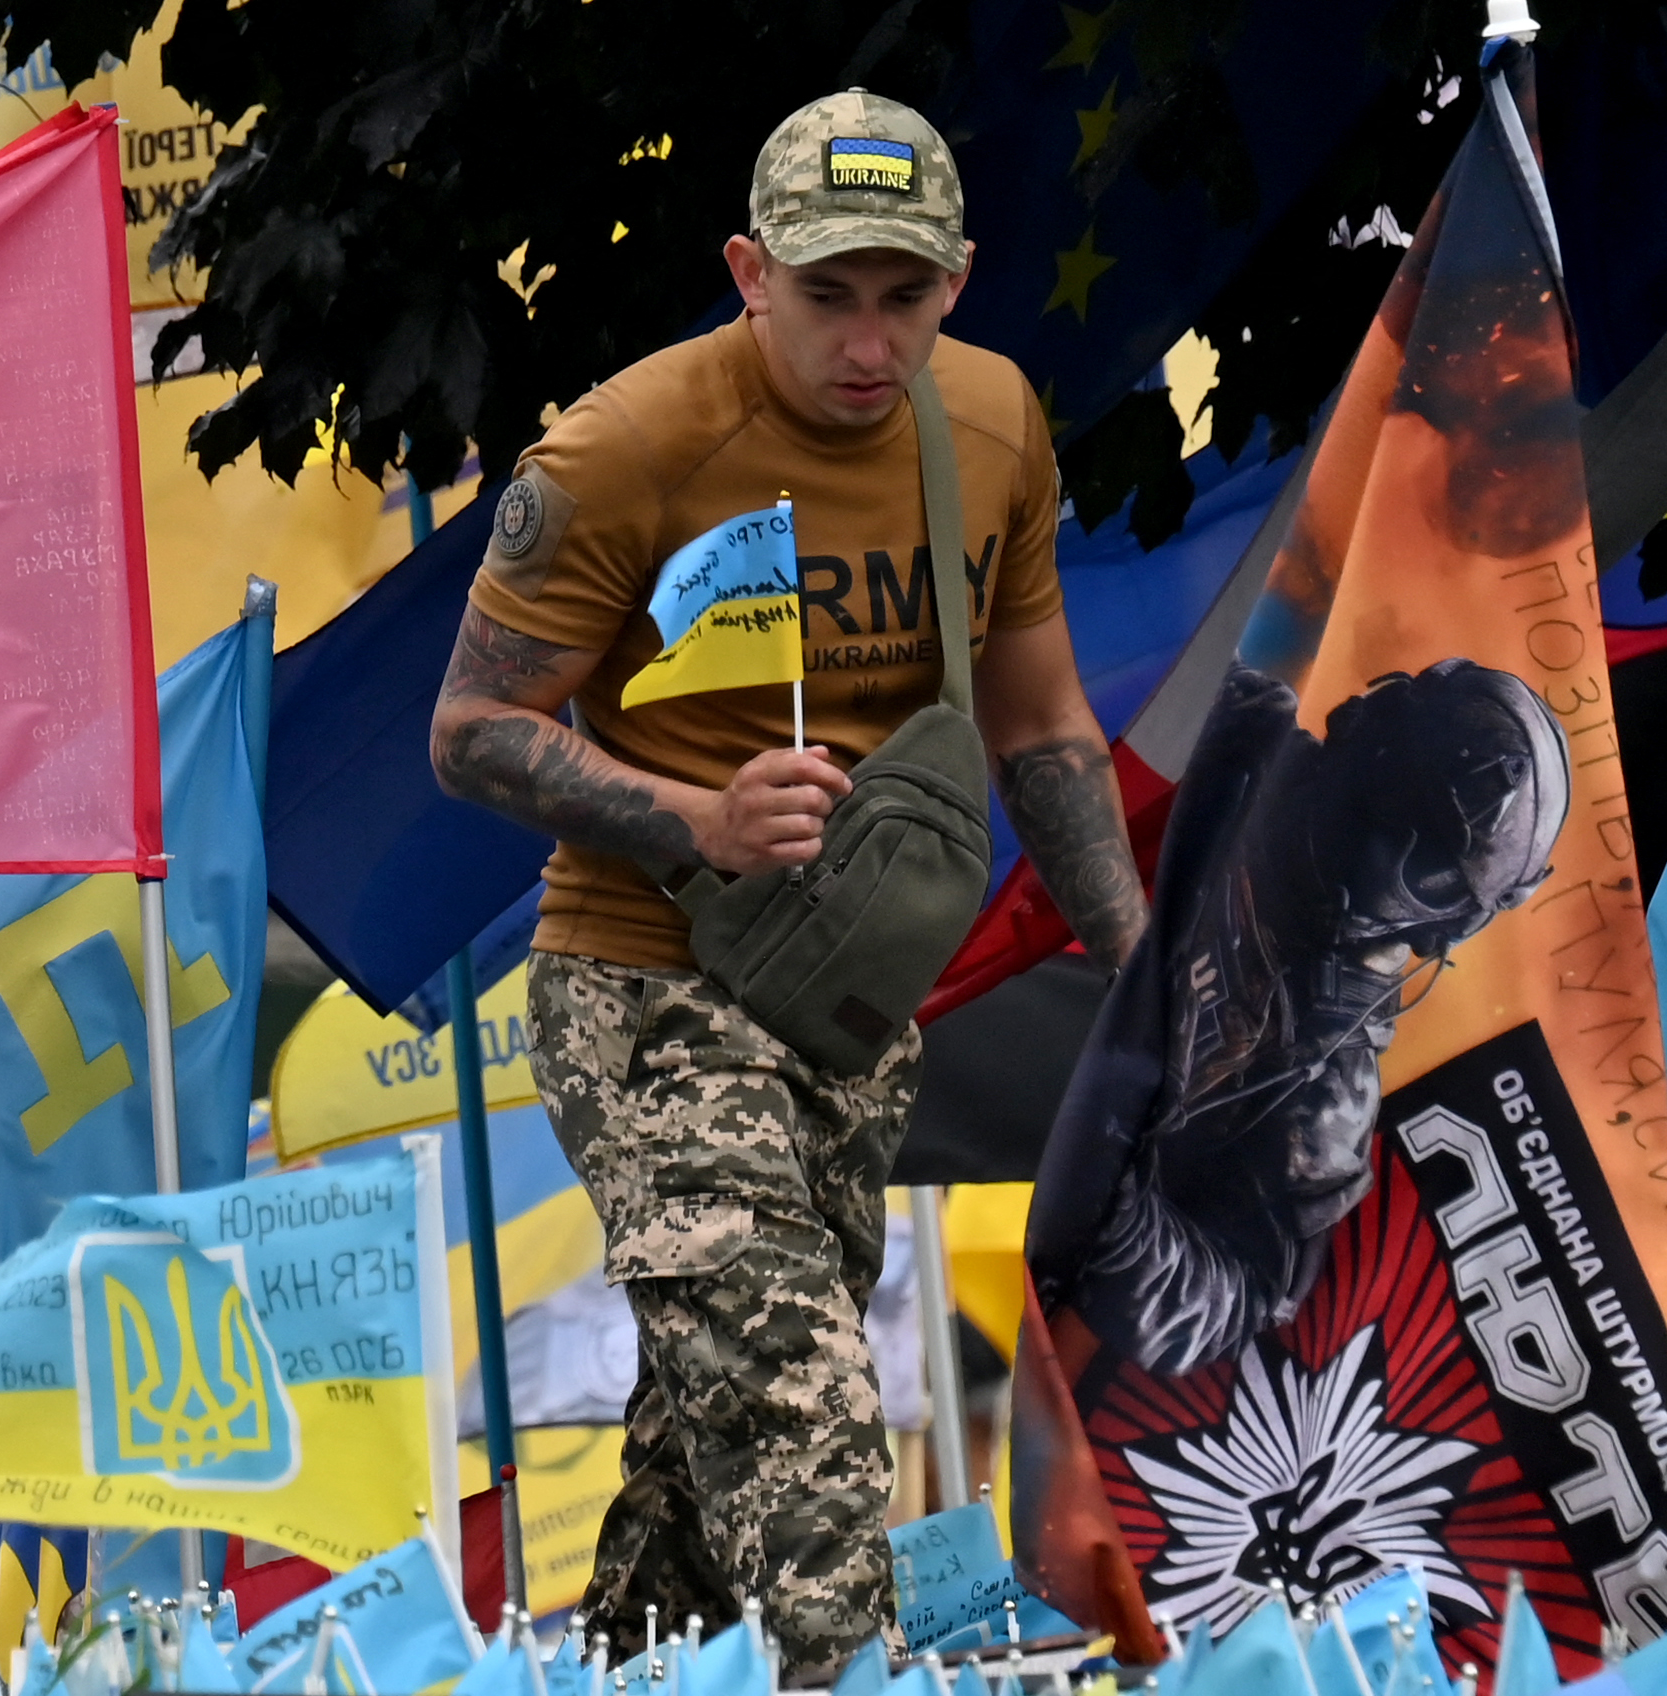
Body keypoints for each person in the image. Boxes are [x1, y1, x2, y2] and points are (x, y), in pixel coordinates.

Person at [427, 89, 1150, 1672]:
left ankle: (629, 1663)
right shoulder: (623, 448)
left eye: (905, 298)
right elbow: (470, 734)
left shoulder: (993, 425)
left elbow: (1041, 728)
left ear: (954, 281)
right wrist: (699, 817)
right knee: (796, 1407)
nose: (867, 343)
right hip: (641, 986)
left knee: (702, 1467)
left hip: (846, 1013)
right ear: (751, 272)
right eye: (827, 296)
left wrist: (1144, 979)